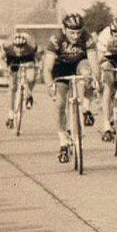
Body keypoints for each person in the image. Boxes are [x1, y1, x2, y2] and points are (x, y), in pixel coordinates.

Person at [42, 13, 100, 162]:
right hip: (60, 67)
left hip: (79, 64)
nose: (75, 36)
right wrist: (50, 85)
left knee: (87, 73)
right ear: (64, 29)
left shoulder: (86, 37)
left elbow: (94, 63)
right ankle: (62, 141)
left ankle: (85, 107)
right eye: (72, 33)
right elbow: (47, 68)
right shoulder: (56, 39)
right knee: (60, 104)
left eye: (78, 33)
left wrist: (96, 80)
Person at [2, 30, 39, 127]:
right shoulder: (7, 46)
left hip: (28, 58)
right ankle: (10, 114)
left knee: (31, 77)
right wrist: (6, 69)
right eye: (17, 48)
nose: (19, 50)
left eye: (21, 48)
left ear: (25, 46)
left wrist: (37, 68)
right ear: (13, 46)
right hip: (12, 59)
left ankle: (29, 93)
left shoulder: (31, 47)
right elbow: (2, 59)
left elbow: (38, 60)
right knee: (12, 86)